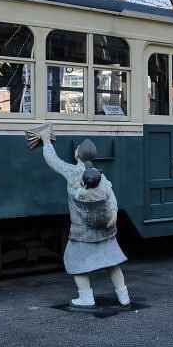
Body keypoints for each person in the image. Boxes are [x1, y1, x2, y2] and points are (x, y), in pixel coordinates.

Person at [36, 124, 130, 307]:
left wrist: (46, 140)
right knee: (112, 263)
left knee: (74, 261)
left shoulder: (72, 172)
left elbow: (53, 160)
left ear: (77, 154)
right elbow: (112, 199)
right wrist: (113, 217)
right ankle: (123, 295)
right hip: (105, 229)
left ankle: (86, 297)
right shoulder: (100, 176)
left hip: (82, 232)